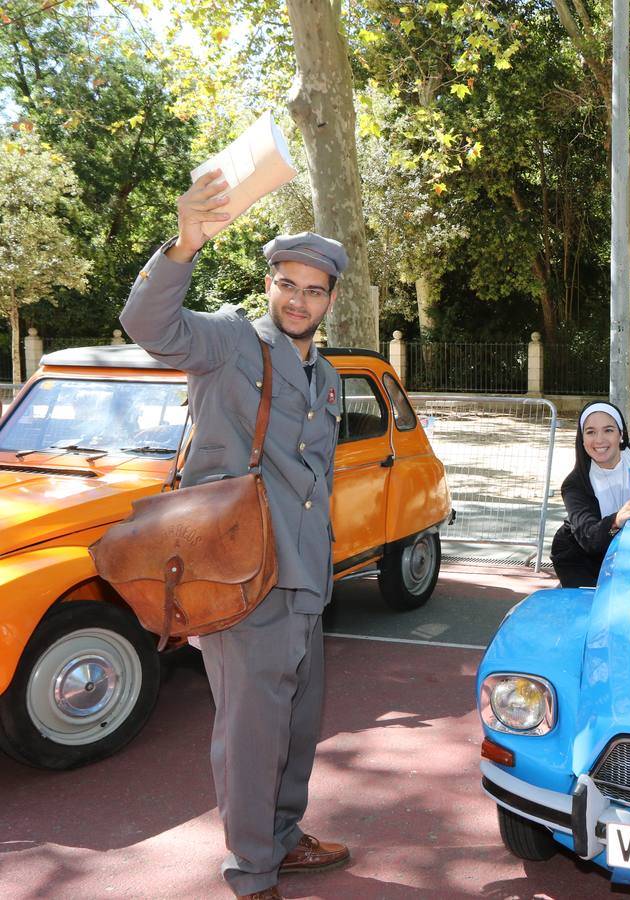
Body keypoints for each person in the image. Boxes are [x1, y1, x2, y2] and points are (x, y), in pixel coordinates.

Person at [120, 169, 350, 900]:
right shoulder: (228, 342)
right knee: (253, 733)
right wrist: (183, 245)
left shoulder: (328, 376)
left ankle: (282, 836)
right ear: (268, 285)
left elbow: (316, 479)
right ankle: (252, 870)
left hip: (304, 576)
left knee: (297, 725)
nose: (298, 300)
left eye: (314, 290)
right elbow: (150, 326)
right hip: (239, 573)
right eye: (287, 284)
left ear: (330, 300)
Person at [550, 401, 630, 587]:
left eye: (608, 430)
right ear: (582, 439)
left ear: (621, 434)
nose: (599, 440)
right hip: (581, 559)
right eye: (590, 432)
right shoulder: (574, 484)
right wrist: (616, 520)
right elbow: (589, 538)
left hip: (628, 547)